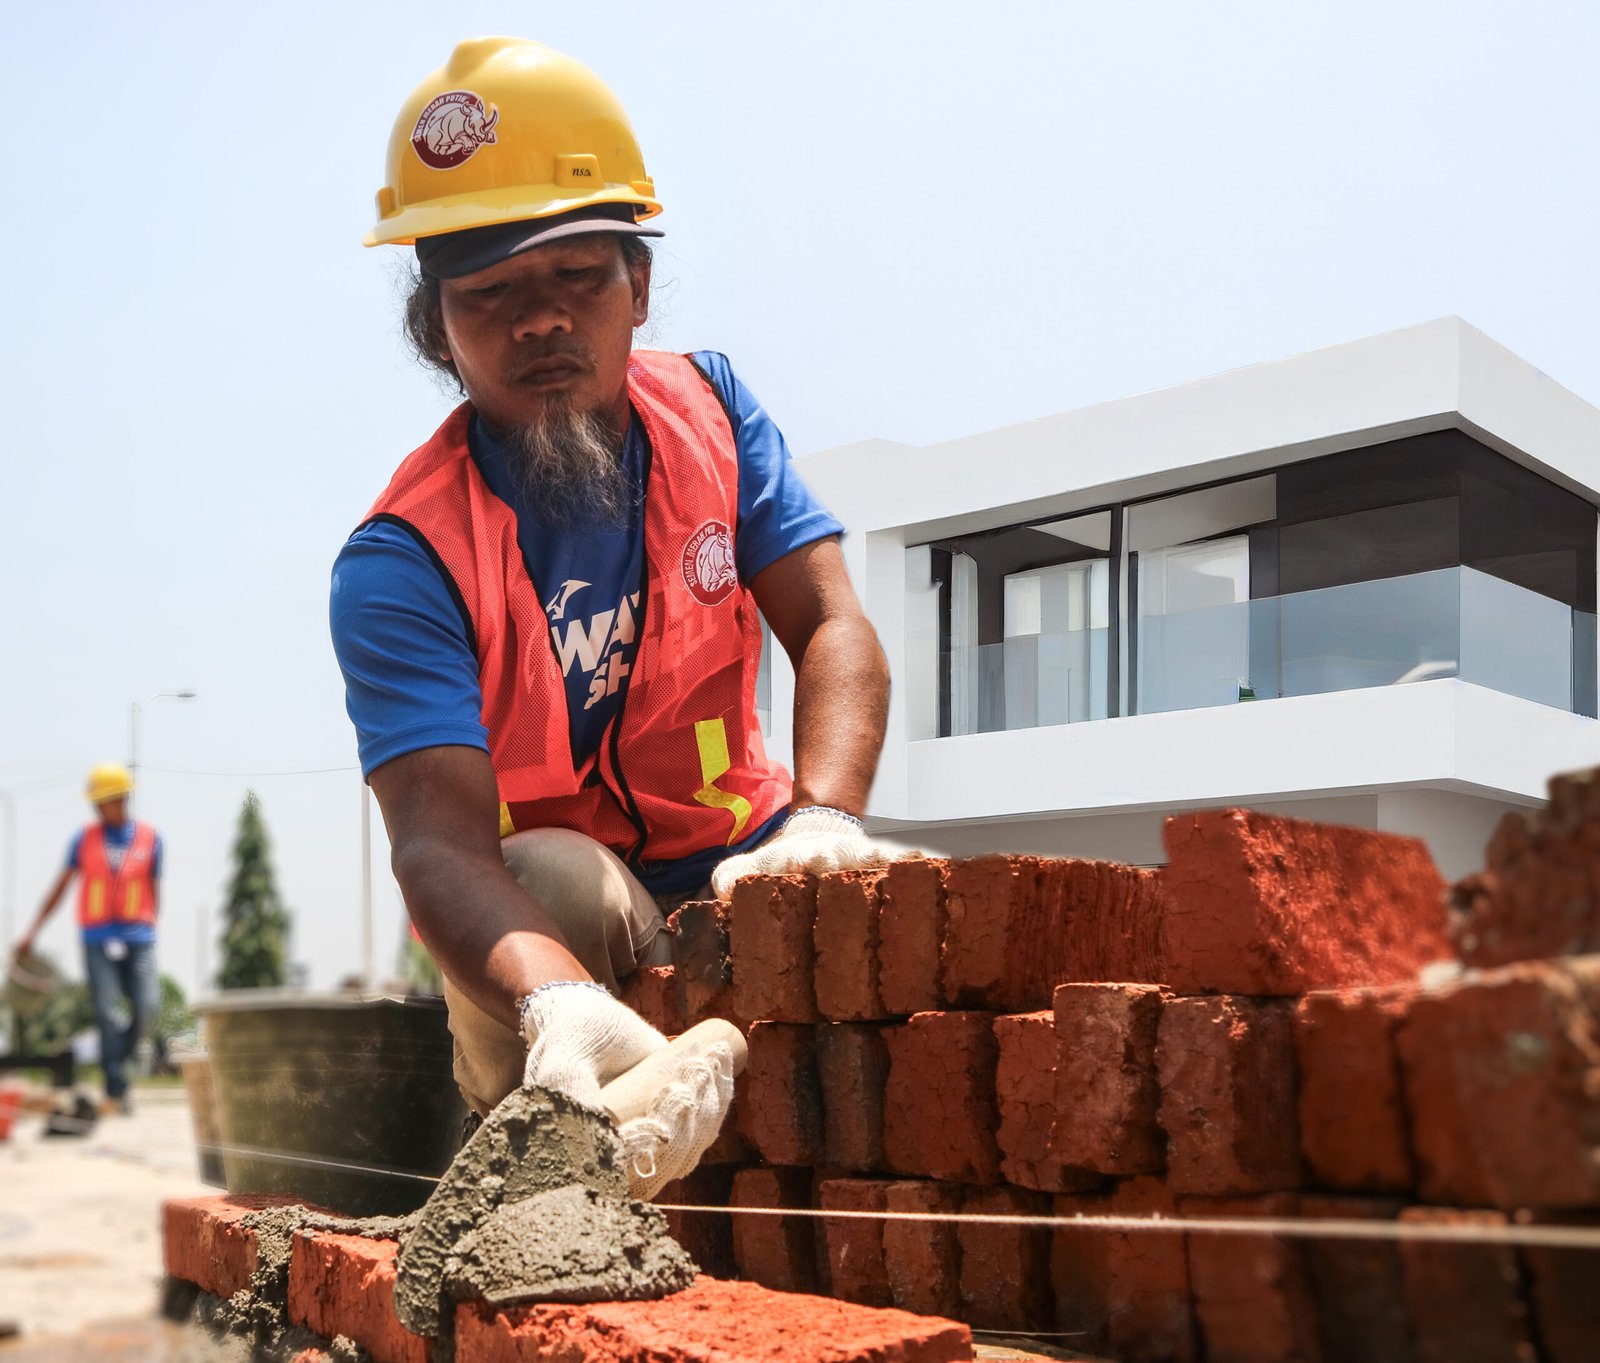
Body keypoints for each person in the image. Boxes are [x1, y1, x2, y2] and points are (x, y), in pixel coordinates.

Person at [331, 37, 902, 1196]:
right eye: (490, 296)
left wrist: (825, 823)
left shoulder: (716, 416)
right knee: (549, 872)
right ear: (437, 331)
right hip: (564, 927)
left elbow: (832, 625)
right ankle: (563, 1132)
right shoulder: (402, 560)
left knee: (894, 916)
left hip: (739, 865)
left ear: (638, 285)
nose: (539, 321)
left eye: (576, 279)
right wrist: (561, 1003)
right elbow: (438, 842)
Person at [14, 764, 162, 1114]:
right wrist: (32, 931)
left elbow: (154, 889)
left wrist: (152, 926)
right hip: (96, 938)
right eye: (95, 802)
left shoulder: (151, 839)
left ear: (122, 798)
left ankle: (116, 1065)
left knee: (148, 1007)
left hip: (139, 937)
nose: (98, 808)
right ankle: (116, 1087)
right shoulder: (85, 839)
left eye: (104, 800)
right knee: (108, 1015)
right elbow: (61, 887)